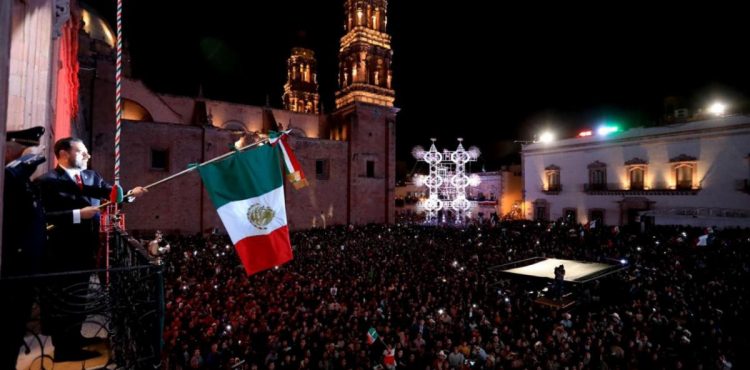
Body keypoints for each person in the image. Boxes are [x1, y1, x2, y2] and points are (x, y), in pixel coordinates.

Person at [35, 137, 147, 362]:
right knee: (64, 298)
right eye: (82, 151)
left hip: (86, 249)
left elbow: (112, 195)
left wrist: (132, 195)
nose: (88, 156)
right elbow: (40, 218)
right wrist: (78, 215)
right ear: (64, 153)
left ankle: (74, 338)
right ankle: (64, 350)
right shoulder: (46, 182)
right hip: (60, 251)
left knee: (80, 296)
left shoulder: (92, 177)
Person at [0, 126, 46, 370]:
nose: (28, 158)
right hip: (14, 265)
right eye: (22, 151)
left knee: (17, 323)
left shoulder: (24, 183)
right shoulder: (10, 177)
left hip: (27, 267)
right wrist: (24, 159)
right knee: (9, 324)